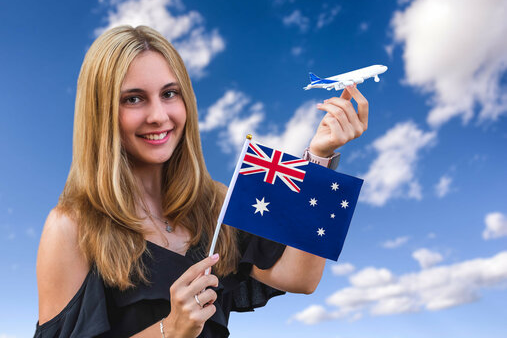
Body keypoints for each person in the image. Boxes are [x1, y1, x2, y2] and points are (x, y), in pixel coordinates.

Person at [34, 25, 369, 338]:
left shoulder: (215, 205)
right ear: (101, 113)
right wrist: (169, 329)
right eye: (133, 98)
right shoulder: (71, 227)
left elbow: (300, 276)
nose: (158, 116)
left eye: (169, 93)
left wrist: (321, 157)